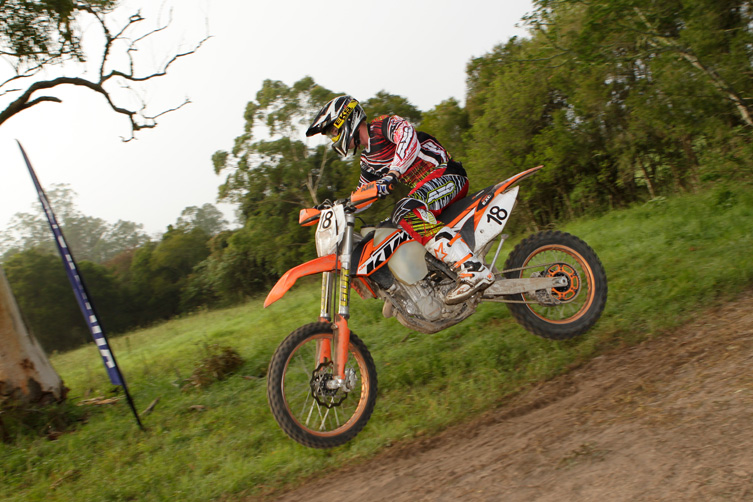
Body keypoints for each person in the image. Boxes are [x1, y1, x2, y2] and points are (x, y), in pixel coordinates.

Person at [306, 95, 494, 305]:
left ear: (346, 120)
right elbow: (363, 196)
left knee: (405, 210)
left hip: (448, 175)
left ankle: (471, 268)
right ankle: (417, 288)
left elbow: (408, 138)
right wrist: (335, 209)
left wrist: (393, 173)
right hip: (427, 192)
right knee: (387, 229)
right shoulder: (367, 161)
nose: (333, 138)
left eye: (333, 131)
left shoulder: (383, 126)